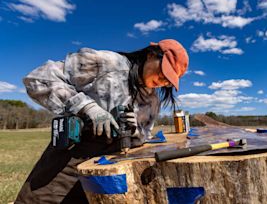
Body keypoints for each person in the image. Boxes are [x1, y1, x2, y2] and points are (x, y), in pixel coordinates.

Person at [15, 39, 189, 203]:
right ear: (151, 54)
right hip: (70, 157)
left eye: (169, 80)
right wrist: (87, 107)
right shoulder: (108, 63)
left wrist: (135, 132)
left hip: (109, 168)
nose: (163, 80)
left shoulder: (152, 101)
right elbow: (39, 79)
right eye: (163, 72)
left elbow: (144, 135)